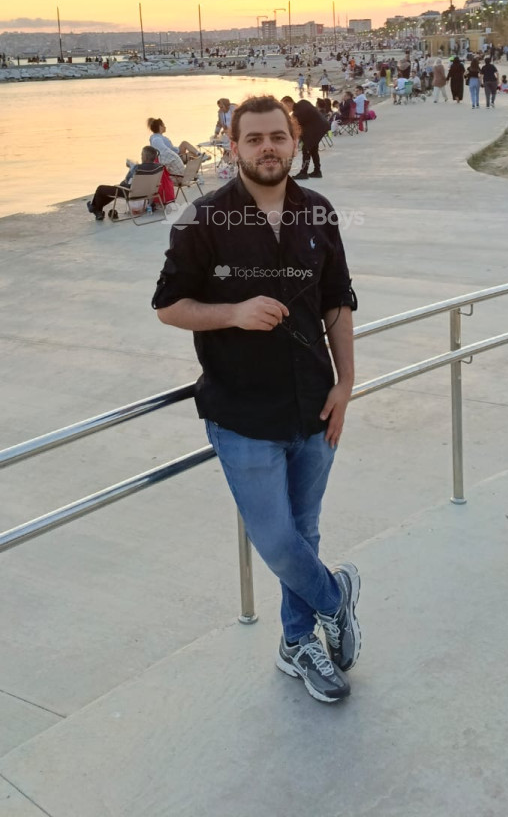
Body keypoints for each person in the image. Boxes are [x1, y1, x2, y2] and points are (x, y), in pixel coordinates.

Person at [152, 94, 360, 705]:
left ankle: (297, 643)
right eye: (254, 139)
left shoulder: (318, 212)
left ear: (294, 142)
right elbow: (168, 306)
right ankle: (335, 597)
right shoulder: (201, 220)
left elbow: (337, 301)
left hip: (314, 402)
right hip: (241, 411)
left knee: (305, 532)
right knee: (275, 538)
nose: (267, 148)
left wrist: (346, 384)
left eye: (277, 137)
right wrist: (234, 313)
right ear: (234, 145)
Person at [87, 146, 161, 221]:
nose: (141, 156)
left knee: (101, 189)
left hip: (131, 193)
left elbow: (125, 181)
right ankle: (97, 210)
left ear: (145, 157)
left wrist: (131, 169)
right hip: (147, 193)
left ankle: (95, 208)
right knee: (114, 190)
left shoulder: (138, 168)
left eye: (142, 155)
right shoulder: (158, 167)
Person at [281, 94, 329, 179]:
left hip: (316, 129)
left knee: (306, 150)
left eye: (284, 106)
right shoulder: (302, 102)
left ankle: (304, 172)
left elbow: (295, 127)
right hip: (321, 126)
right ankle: (317, 171)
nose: (285, 109)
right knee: (313, 150)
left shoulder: (297, 113)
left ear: (289, 103)